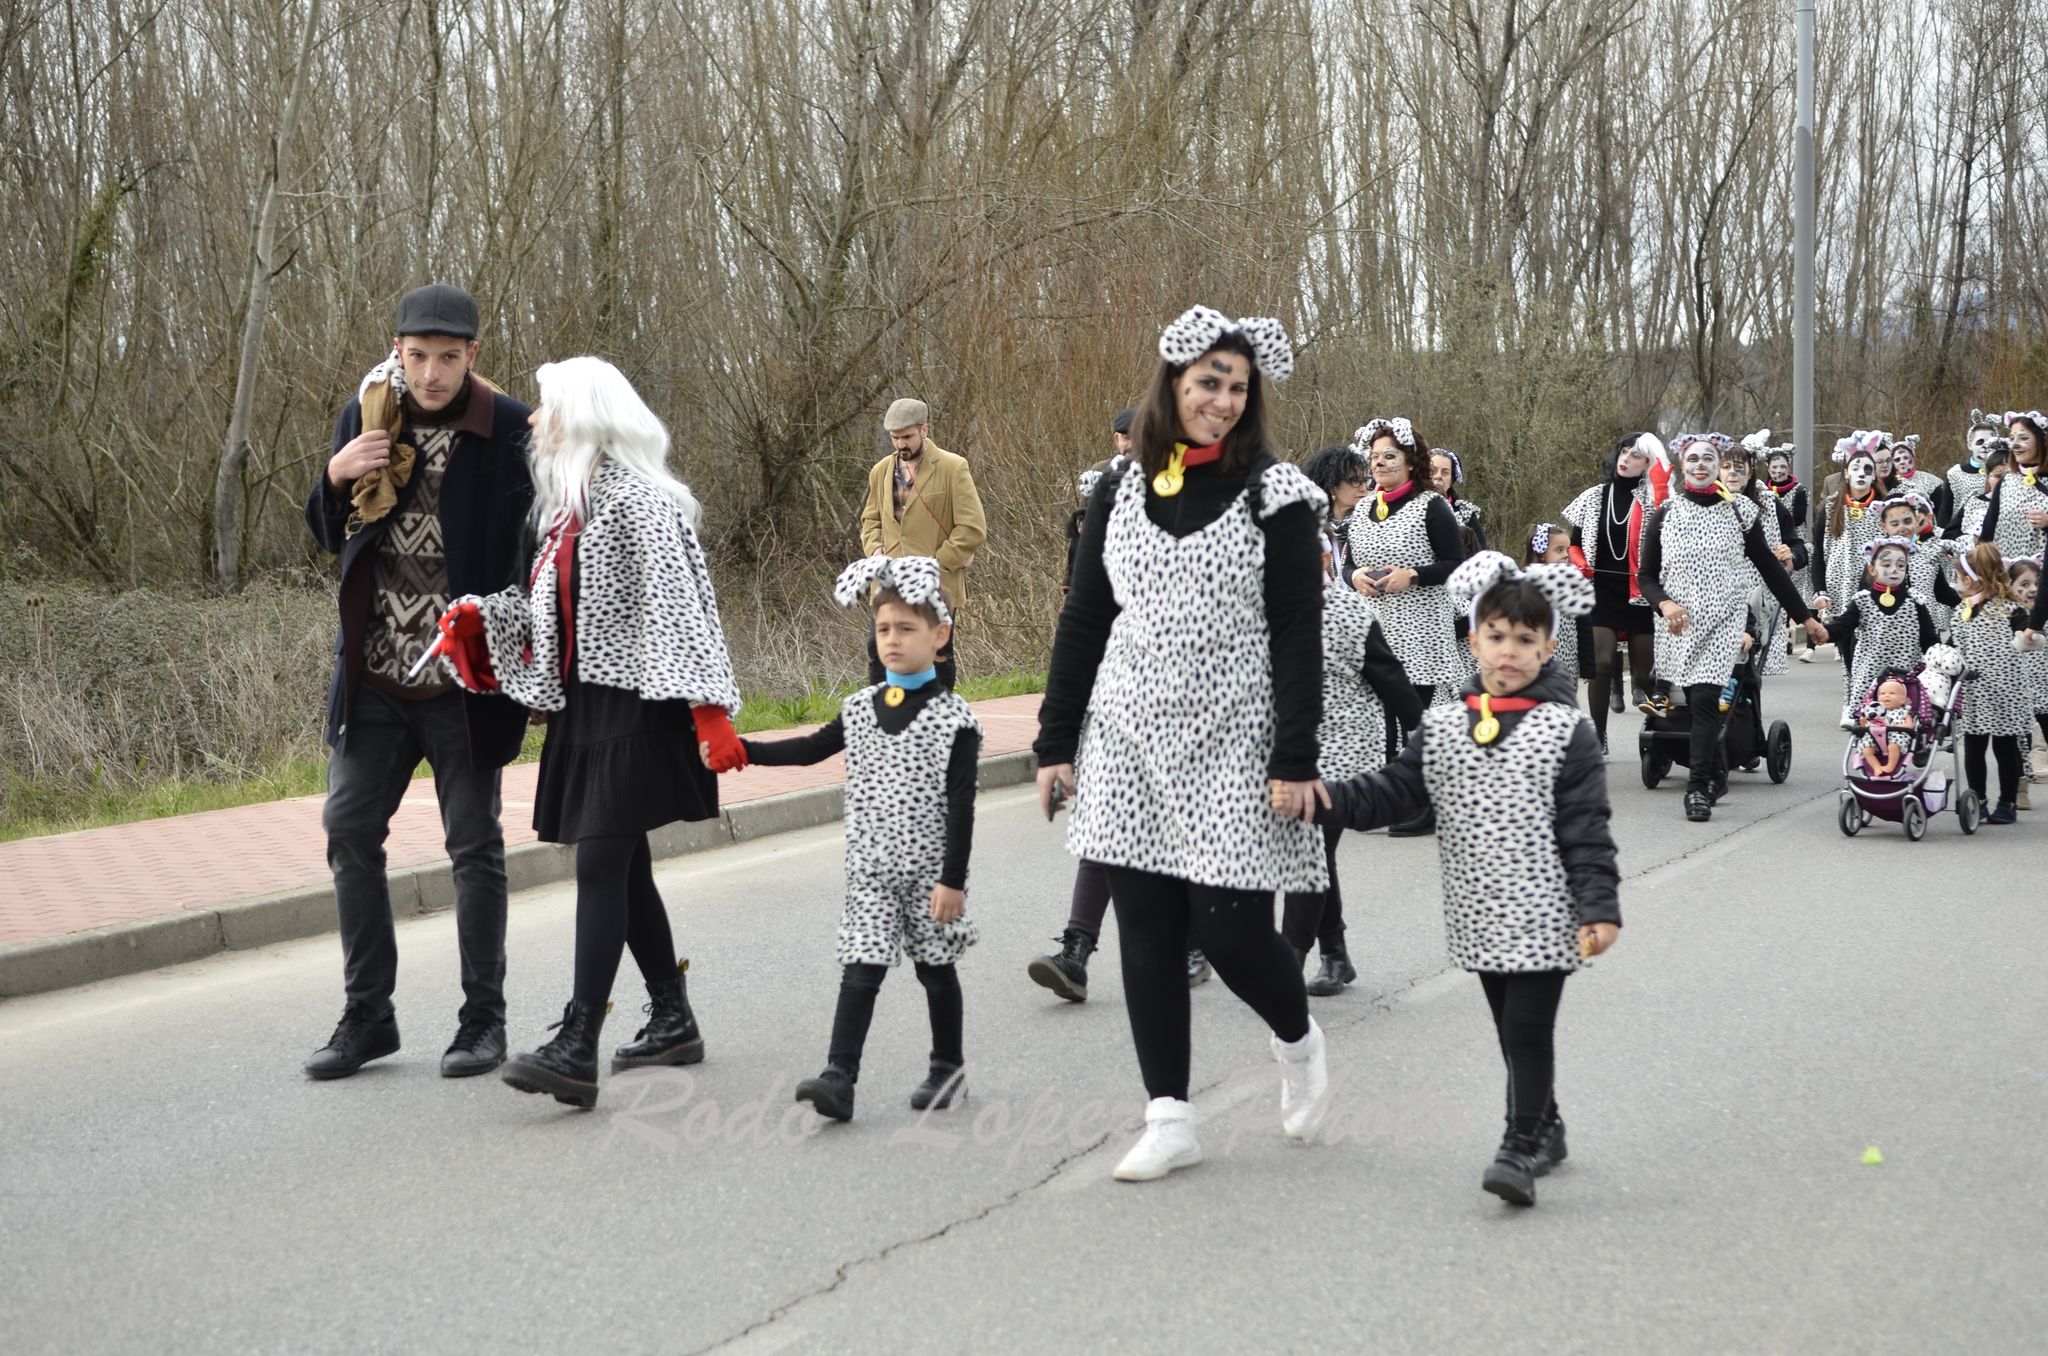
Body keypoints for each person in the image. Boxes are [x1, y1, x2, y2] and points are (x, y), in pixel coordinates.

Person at [1035, 304, 1333, 1182]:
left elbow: (1296, 629)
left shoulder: (1275, 496)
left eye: (1239, 387)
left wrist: (1295, 755)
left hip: (1234, 732)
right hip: (1128, 728)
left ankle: (1299, 1040)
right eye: (1210, 382)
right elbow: (1085, 617)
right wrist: (1057, 741)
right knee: (1149, 929)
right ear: (1171, 384)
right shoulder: (1118, 488)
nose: (1225, 400)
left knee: (1232, 931)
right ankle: (1169, 1116)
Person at [435, 356, 744, 1109]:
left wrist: (708, 711)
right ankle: (672, 1017)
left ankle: (578, 1043)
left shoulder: (639, 500)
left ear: (582, 415)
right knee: (624, 866)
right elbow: (557, 619)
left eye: (545, 409)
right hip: (587, 710)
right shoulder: (568, 511)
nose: (534, 423)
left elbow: (679, 608)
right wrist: (484, 620)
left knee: (603, 865)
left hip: (642, 707)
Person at [1316, 552, 1620, 1207]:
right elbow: (1395, 791)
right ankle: (1549, 1124)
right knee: (1508, 1027)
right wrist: (1324, 800)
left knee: (1527, 1031)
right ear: (1474, 637)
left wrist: (1599, 906)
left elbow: (1587, 826)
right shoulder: (1448, 723)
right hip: (1478, 910)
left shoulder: (1567, 731)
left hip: (1547, 911)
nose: (1508, 651)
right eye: (1496, 635)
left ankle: (1517, 1145)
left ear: (1548, 646)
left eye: (1525, 640)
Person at [301, 283, 535, 1081]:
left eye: (448, 357)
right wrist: (335, 477)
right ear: (397, 351)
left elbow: (537, 547)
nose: (431, 374)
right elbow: (328, 537)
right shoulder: (369, 416)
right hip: (375, 680)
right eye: (418, 356)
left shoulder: (507, 430)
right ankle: (368, 1017)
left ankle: (483, 1020)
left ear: (473, 356)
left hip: (464, 684)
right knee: (347, 831)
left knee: (474, 847)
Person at [730, 557, 982, 1120]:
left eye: (906, 629)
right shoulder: (860, 708)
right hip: (868, 870)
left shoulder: (954, 719)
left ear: (939, 637)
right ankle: (838, 1077)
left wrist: (953, 880)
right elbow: (809, 749)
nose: (892, 640)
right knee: (860, 968)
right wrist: (744, 751)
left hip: (928, 876)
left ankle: (948, 1067)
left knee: (935, 970)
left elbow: (962, 807)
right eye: (884, 628)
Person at [1032, 411, 1214, 1003]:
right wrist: (1054, 740)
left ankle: (1192, 940)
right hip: (1116, 696)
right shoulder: (1108, 503)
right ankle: (1076, 951)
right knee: (1105, 823)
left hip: (1193, 705)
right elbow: (1081, 619)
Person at [1638, 433, 1828, 822]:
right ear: (1683, 465)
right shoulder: (1665, 513)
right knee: (1687, 702)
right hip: (1678, 626)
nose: (1701, 465)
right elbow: (1646, 577)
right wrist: (1665, 603)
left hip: (1724, 621)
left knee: (1707, 700)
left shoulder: (1740, 511)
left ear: (1718, 465)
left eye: (1709, 458)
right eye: (1693, 459)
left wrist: (1805, 616)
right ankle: (1717, 770)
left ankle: (1698, 788)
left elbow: (1771, 570)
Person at [1280, 534, 1423, 997]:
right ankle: (1336, 954)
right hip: (1287, 752)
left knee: (1309, 850)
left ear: (1323, 559)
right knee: (1311, 853)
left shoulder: (1347, 612)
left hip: (1343, 753)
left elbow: (1392, 680)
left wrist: (1427, 740)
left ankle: (1290, 959)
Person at [1347, 416, 1469, 833]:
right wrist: (1353, 577)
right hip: (1376, 626)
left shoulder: (1431, 506)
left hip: (1421, 628)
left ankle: (1429, 802)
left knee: (1415, 716)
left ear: (1410, 461)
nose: (1378, 464)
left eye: (1389, 456)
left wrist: (1413, 575)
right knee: (1379, 715)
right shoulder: (1364, 507)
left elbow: (1455, 565)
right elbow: (1348, 562)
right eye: (1374, 457)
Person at [859, 398, 987, 687]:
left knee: (937, 654)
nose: (900, 444)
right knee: (878, 653)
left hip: (935, 583)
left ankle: (940, 720)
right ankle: (886, 719)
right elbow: (870, 520)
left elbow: (972, 527)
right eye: (895, 438)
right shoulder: (880, 471)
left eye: (907, 436)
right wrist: (875, 549)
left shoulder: (953, 467)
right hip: (889, 583)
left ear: (924, 429)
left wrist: (936, 563)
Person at [1560, 433, 1665, 745]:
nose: (1626, 459)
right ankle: (1599, 735)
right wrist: (1578, 562)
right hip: (1601, 589)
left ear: (1648, 463)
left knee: (1645, 675)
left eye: (1635, 456)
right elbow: (1574, 544)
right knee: (1602, 663)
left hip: (1642, 591)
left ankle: (1661, 734)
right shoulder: (1594, 496)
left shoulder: (1656, 500)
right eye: (1624, 451)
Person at [1819, 537, 1938, 729]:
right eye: (1886, 564)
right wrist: (1824, 633)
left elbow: (1929, 640)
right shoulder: (1862, 601)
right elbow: (1843, 627)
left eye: (1901, 565)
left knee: (1903, 727)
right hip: (1870, 678)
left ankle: (1910, 750)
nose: (1894, 570)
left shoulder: (1916, 602)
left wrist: (1941, 658)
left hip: (1904, 678)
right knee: (1869, 727)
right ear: (1872, 569)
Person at [1949, 543, 2030, 824]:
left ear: (1969, 580)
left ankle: (2008, 802)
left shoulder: (2012, 609)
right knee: (1974, 746)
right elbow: (1953, 648)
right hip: (1973, 691)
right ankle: (1978, 800)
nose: (1956, 584)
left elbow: (2027, 635)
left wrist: (2029, 638)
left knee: (2005, 747)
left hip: (2007, 692)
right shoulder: (1962, 611)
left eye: (1958, 578)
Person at [1524, 522, 1584, 683]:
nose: (1566, 555)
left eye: (1567, 550)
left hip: (1568, 664)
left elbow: (1583, 626)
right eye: (1559, 550)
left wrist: (1587, 665)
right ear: (1542, 553)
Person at [1940, 411, 2006, 528]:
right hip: (1962, 535)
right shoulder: (1956, 474)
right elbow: (1945, 514)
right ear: (1970, 444)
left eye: (1991, 442)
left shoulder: (2007, 472)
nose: (1986, 446)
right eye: (1980, 442)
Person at [1430, 447, 1487, 552]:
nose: (1438, 476)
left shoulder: (1465, 512)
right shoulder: (1408, 507)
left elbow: (1482, 554)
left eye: (1445, 472)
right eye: (1432, 471)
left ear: (1452, 479)